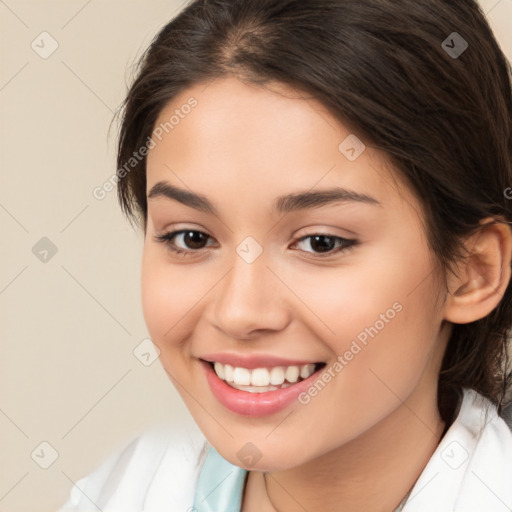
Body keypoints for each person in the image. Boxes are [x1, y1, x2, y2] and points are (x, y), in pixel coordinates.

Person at [58, 0, 512, 510]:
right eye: (191, 238)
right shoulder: (116, 494)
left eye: (321, 242)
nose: (239, 312)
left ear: (474, 273)